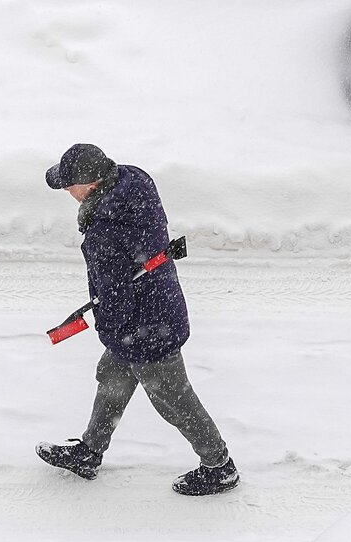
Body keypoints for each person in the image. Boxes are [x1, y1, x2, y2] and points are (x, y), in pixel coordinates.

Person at [36, 143, 239, 496]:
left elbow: (115, 296)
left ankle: (219, 466)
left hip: (146, 326)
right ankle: (90, 452)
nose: (68, 192)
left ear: (92, 184)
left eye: (70, 186)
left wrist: (108, 328)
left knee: (174, 399)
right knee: (112, 378)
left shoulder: (104, 233)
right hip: (155, 306)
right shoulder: (134, 180)